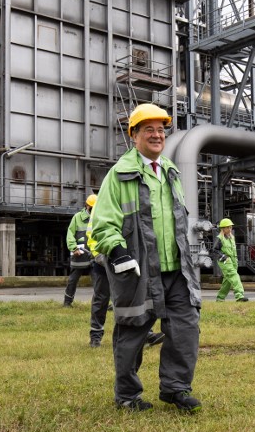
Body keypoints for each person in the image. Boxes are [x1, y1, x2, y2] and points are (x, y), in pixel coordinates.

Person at [88, 102, 202, 412]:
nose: (156, 135)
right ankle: (127, 395)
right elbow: (102, 222)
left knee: (185, 326)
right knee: (133, 329)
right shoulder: (119, 174)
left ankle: (176, 388)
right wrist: (118, 250)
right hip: (138, 269)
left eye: (161, 130)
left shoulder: (170, 172)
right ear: (134, 136)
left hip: (176, 268)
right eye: (148, 130)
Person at [84, 195, 112, 347]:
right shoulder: (99, 210)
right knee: (101, 299)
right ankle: (95, 336)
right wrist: (98, 254)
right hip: (102, 262)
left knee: (131, 298)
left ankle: (143, 334)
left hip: (124, 259)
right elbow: (91, 234)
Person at [62, 195, 96, 307]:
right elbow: (70, 234)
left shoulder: (98, 218)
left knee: (99, 282)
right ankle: (67, 302)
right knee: (72, 280)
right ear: (87, 206)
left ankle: (101, 304)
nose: (94, 210)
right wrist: (73, 247)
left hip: (94, 256)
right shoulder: (77, 217)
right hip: (79, 254)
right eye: (92, 207)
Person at [214, 218, 248, 302]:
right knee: (234, 276)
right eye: (228, 227)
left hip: (233, 261)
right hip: (225, 261)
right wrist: (223, 256)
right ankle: (239, 295)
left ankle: (220, 299)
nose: (230, 229)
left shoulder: (231, 238)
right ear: (223, 228)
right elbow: (214, 250)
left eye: (230, 227)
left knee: (227, 281)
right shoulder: (219, 238)